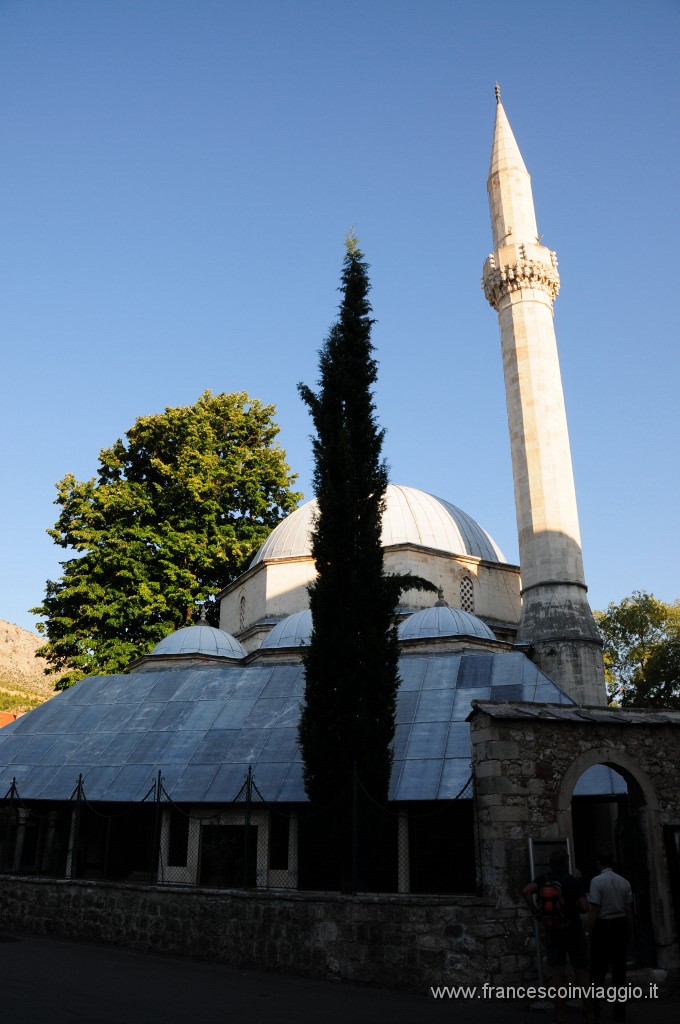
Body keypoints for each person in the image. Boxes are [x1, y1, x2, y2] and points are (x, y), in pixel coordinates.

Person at [523, 849, 594, 1024]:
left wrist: (536, 913)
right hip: (572, 929)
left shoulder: (543, 879)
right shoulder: (572, 881)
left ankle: (561, 1015)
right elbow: (585, 907)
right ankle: (591, 1014)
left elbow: (525, 891)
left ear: (550, 863)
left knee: (557, 974)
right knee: (582, 972)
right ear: (566, 863)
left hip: (553, 930)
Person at [588, 851, 634, 1022]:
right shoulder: (624, 882)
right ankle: (619, 1011)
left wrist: (589, 931)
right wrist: (630, 930)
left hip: (603, 926)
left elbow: (595, 909)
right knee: (619, 971)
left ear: (599, 863)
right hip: (620, 925)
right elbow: (628, 910)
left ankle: (595, 1008)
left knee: (598, 970)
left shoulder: (596, 881)